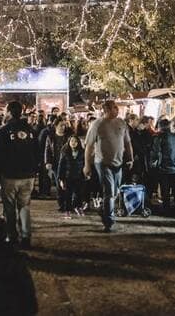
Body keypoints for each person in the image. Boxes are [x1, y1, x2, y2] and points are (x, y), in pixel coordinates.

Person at [83, 99, 133, 233]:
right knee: (109, 192)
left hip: (119, 163)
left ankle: (104, 210)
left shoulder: (121, 123)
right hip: (103, 163)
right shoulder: (97, 124)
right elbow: (88, 146)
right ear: (107, 110)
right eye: (114, 108)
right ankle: (108, 221)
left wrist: (130, 158)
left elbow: (127, 142)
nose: (117, 110)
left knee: (115, 192)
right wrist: (87, 165)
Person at [0, 100, 40, 248]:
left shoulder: (4, 130)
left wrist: (0, 170)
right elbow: (36, 151)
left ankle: (12, 236)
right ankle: (26, 236)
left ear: (8, 111)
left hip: (10, 175)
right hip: (28, 174)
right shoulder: (30, 130)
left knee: (9, 207)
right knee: (24, 205)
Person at [150, 118, 175, 215]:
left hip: (163, 167)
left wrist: (154, 163)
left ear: (160, 126)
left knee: (165, 191)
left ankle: (167, 209)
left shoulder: (158, 137)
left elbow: (156, 152)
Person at [57, 134, 85, 217]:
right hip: (68, 177)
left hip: (79, 176)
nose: (73, 143)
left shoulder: (82, 152)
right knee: (68, 195)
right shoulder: (65, 152)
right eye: (72, 141)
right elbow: (61, 166)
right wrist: (61, 179)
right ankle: (67, 210)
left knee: (79, 194)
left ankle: (78, 207)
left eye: (75, 141)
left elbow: (84, 164)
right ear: (68, 142)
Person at [44, 119, 69, 212]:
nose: (63, 127)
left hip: (67, 164)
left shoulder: (68, 136)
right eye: (61, 125)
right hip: (56, 164)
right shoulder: (51, 137)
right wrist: (48, 162)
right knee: (59, 185)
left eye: (64, 125)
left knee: (67, 184)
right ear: (56, 126)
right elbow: (47, 150)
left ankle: (68, 203)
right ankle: (61, 204)